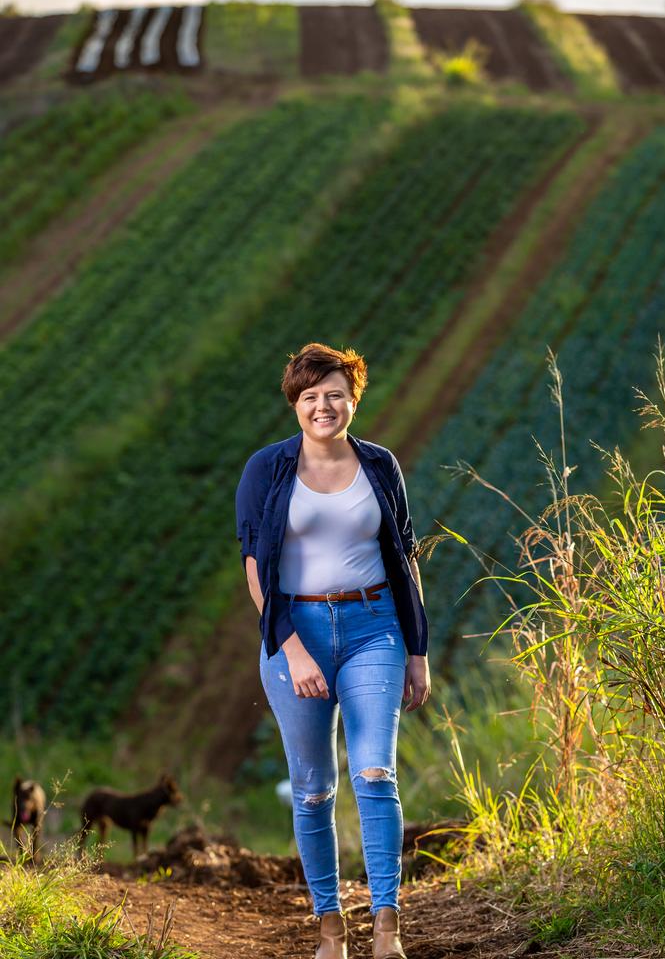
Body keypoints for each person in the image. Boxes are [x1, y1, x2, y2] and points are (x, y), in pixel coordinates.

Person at [235, 342, 431, 959]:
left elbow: (405, 557)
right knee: (314, 786)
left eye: (336, 394)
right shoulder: (266, 470)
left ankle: (387, 928)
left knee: (376, 772)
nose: (324, 406)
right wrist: (292, 649)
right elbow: (254, 570)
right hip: (295, 631)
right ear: (296, 403)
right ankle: (329, 927)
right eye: (311, 396)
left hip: (376, 627)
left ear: (353, 400)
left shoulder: (380, 465)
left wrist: (417, 650)